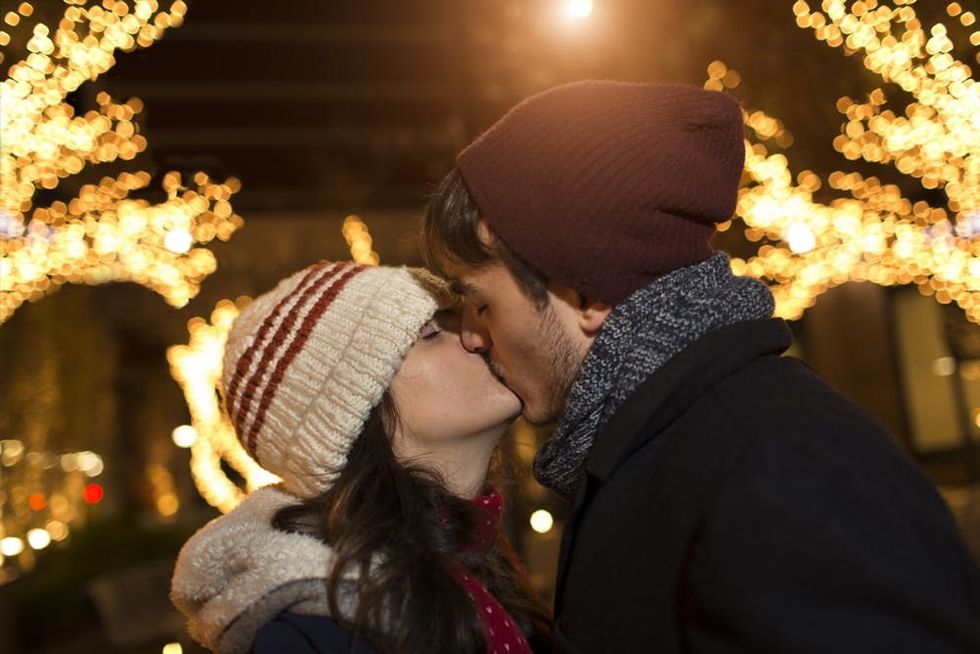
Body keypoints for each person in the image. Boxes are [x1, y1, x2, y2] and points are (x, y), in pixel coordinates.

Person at [420, 80, 980, 652]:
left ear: (586, 292)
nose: (471, 334)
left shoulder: (777, 468)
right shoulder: (669, 447)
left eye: (482, 303)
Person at [170, 261, 550, 654]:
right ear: (350, 413)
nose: (476, 336)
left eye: (464, 315)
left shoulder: (477, 562)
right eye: (433, 333)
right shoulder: (311, 626)